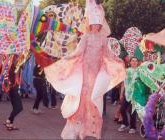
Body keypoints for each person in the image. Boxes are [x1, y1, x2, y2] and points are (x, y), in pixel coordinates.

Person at [44, 0, 126, 139]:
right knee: (82, 101)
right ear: (90, 23)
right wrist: (67, 59)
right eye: (93, 23)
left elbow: (107, 54)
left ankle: (88, 130)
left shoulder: (103, 39)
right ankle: (77, 130)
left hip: (96, 74)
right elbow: (78, 52)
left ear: (100, 24)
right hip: (85, 73)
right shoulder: (86, 37)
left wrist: (118, 60)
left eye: (98, 23)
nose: (95, 25)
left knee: (94, 102)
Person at [118, 57, 139, 134]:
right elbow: (123, 83)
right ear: (130, 62)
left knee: (132, 111)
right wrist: (121, 94)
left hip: (135, 94)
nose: (134, 62)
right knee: (122, 109)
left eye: (135, 61)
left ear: (137, 63)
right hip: (127, 94)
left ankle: (133, 127)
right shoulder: (126, 71)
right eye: (132, 61)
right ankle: (125, 123)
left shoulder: (139, 72)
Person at [5, 55, 23, 130]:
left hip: (11, 89)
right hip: (13, 89)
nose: (19, 58)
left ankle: (10, 124)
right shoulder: (15, 67)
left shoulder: (11, 66)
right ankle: (9, 120)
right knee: (19, 108)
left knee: (15, 107)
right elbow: (18, 81)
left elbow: (7, 77)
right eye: (18, 57)